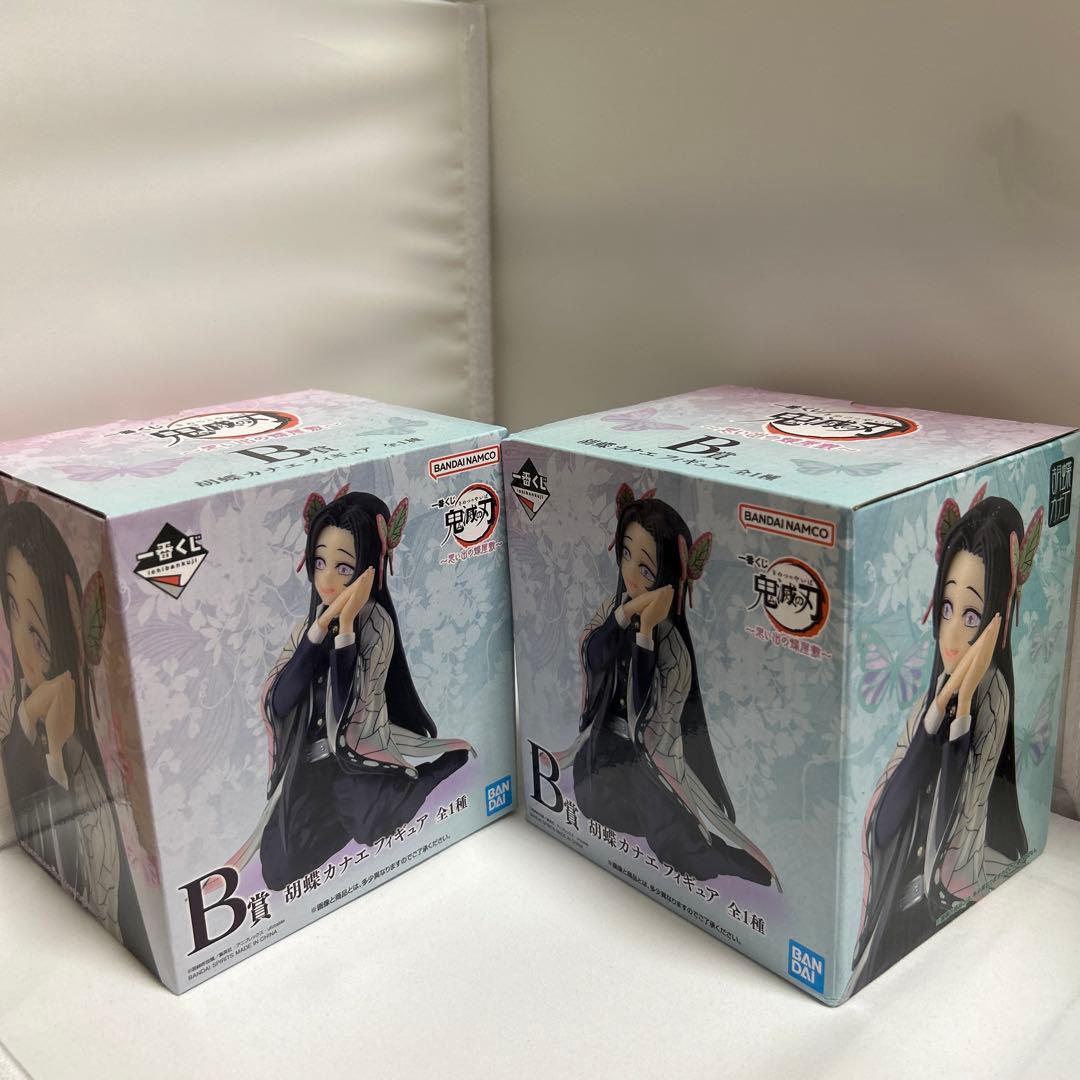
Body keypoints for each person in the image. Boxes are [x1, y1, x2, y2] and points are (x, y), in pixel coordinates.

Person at [228, 488, 474, 891]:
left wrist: (345, 630)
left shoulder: (376, 626)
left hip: (355, 758)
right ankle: (344, 813)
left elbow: (352, 710)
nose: (326, 579)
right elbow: (279, 703)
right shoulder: (306, 627)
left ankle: (426, 775)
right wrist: (319, 631)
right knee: (278, 867)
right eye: (319, 562)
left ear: (369, 569)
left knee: (372, 824)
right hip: (308, 767)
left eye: (343, 567)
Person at [849, 491, 1039, 992]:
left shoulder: (992, 701)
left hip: (944, 910)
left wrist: (964, 709)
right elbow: (882, 824)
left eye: (972, 617)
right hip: (900, 907)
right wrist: (939, 711)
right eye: (947, 608)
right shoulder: (933, 696)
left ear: (999, 617)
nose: (951, 635)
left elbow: (952, 858)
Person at [562, 483, 779, 889]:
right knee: (589, 802)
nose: (630, 574)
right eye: (625, 555)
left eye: (646, 569)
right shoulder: (612, 610)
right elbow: (593, 655)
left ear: (667, 579)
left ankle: (721, 854)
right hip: (605, 748)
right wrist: (626, 613)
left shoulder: (674, 651)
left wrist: (646, 631)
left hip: (647, 756)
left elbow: (648, 715)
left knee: (672, 846)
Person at [0, 496, 155, 972]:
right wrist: (31, 725)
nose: (24, 648)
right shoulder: (19, 725)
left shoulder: (88, 748)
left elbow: (117, 893)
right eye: (12, 610)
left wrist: (58, 752)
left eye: (40, 635)